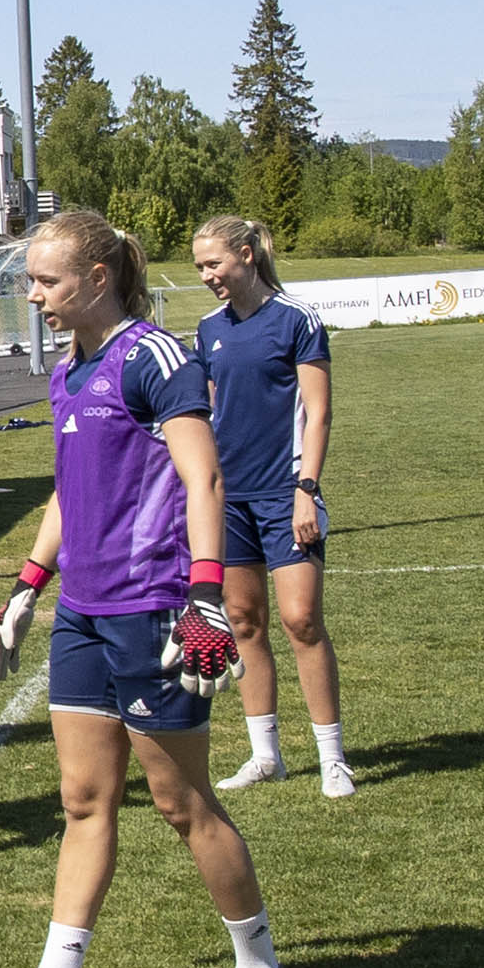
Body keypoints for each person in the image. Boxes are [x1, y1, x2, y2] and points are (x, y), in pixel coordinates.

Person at [0, 210, 286, 968]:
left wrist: (206, 596)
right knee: (82, 798)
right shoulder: (68, 371)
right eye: (31, 280)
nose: (32, 295)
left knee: (183, 803)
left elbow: (203, 479)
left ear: (98, 279)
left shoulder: (153, 359)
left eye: (46, 281)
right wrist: (29, 586)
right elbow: (70, 494)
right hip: (84, 613)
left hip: (153, 610)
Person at [191, 216, 350, 799]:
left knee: (301, 619)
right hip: (229, 499)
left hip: (286, 493)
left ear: (247, 256)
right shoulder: (208, 331)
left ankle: (332, 758)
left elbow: (320, 412)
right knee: (244, 623)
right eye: (201, 267)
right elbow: (203, 417)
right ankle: (266, 755)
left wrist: (307, 488)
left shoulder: (297, 320)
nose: (208, 276)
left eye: (215, 264)